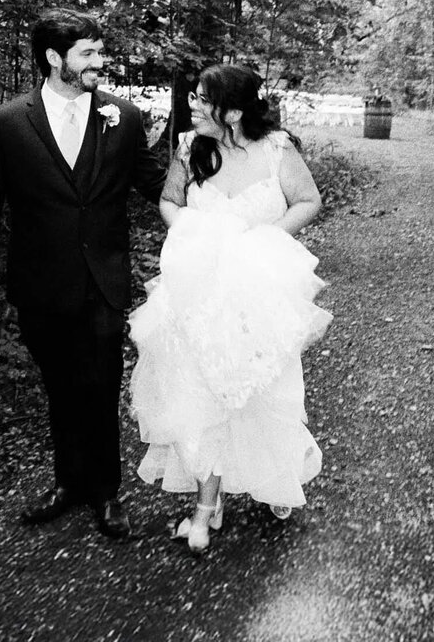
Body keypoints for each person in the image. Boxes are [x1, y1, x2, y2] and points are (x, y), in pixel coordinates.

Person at [0, 8, 166, 538]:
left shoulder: (124, 117)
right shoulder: (6, 123)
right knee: (59, 387)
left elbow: (154, 185)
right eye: (88, 54)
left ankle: (107, 493)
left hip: (103, 279)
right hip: (41, 283)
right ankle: (68, 482)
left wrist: (216, 177)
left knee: (98, 385)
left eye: (100, 51)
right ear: (54, 59)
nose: (101, 62)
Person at [129, 63, 331, 554]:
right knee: (200, 390)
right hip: (199, 289)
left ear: (234, 112)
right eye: (194, 97)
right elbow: (169, 202)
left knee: (262, 390)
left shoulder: (278, 149)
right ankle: (206, 504)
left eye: (202, 99)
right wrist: (195, 234)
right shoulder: (186, 148)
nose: (193, 105)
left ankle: (271, 480)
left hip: (258, 289)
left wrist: (261, 239)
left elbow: (308, 201)